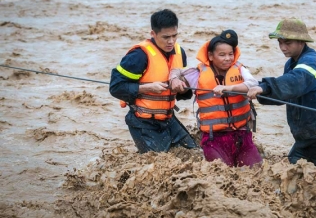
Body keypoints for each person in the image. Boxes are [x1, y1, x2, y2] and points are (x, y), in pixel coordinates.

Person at [247, 19, 316, 181]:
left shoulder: (311, 61)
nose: (283, 47)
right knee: (293, 177)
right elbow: (285, 94)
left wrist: (266, 88)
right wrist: (259, 91)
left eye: (287, 43)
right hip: (306, 139)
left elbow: (295, 82)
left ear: (301, 41)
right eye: (280, 43)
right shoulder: (291, 64)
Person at [109, 9, 197, 153]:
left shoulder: (180, 52)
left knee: (195, 155)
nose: (171, 41)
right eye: (166, 37)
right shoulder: (138, 56)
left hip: (168, 119)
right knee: (159, 165)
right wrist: (147, 88)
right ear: (153, 34)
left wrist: (183, 88)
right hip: (142, 122)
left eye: (175, 36)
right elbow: (116, 87)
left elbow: (183, 94)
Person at [171, 30, 262, 167]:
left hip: (242, 136)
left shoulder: (240, 69)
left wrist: (229, 88)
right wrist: (174, 80)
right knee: (220, 173)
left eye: (231, 54)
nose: (228, 58)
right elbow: (177, 71)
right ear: (210, 56)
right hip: (214, 139)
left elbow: (253, 84)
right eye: (222, 55)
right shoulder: (198, 74)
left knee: (257, 171)